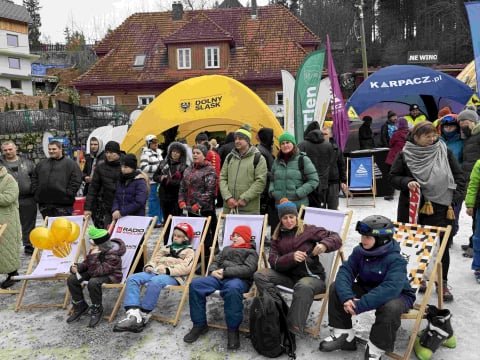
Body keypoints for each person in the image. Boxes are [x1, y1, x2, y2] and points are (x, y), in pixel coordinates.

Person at [318, 215, 416, 360]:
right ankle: (344, 335)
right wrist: (347, 297)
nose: (363, 240)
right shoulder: (360, 251)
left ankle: (375, 348)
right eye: (363, 236)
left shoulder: (397, 260)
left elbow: (390, 288)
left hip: (398, 295)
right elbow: (346, 271)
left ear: (381, 239)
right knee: (335, 288)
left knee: (391, 308)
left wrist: (359, 305)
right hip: (367, 287)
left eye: (368, 237)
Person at [390, 121, 466, 302]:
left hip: (442, 208)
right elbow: (393, 177)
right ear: (416, 137)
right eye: (427, 136)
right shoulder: (405, 154)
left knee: (442, 247)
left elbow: (459, 176)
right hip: (414, 209)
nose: (433, 139)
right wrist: (406, 182)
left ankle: (442, 281)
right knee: (416, 244)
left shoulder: (443, 150)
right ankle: (419, 278)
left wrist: (454, 199)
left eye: (434, 135)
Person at [253, 198, 342, 336]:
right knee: (260, 275)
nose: (289, 221)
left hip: (312, 279)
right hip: (289, 277)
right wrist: (291, 257)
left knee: (303, 286)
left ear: (296, 216)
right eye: (285, 218)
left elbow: (336, 237)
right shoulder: (277, 237)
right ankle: (279, 309)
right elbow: (273, 261)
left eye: (291, 217)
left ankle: (292, 330)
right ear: (280, 219)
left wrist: (324, 244)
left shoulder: (308, 230)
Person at [183, 225, 258, 350]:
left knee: (232, 290)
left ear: (246, 237)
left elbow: (248, 269)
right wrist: (212, 271)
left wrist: (225, 271)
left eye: (238, 235)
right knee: (196, 285)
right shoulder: (226, 249)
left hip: (238, 280)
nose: (234, 237)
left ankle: (233, 330)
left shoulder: (251, 252)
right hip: (218, 277)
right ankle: (199, 324)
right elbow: (215, 262)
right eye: (233, 235)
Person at [113, 222, 195, 332]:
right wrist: (149, 266)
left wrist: (167, 270)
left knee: (155, 281)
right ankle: (133, 313)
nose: (175, 237)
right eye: (174, 235)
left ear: (186, 239)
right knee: (132, 278)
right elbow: (154, 259)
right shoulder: (166, 248)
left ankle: (143, 313)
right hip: (155, 271)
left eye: (179, 236)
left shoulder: (189, 252)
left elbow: (186, 268)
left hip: (173, 276)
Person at [66, 226, 125, 327]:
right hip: (95, 271)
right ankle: (80, 306)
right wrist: (77, 267)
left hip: (111, 276)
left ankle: (97, 308)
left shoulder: (113, 255)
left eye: (93, 244)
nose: (91, 246)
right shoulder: (97, 249)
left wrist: (93, 256)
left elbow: (97, 272)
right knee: (72, 279)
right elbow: (87, 264)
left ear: (100, 245)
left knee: (93, 282)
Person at [269, 132, 318, 232]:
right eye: (282, 143)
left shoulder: (303, 159)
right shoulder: (277, 161)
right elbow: (272, 179)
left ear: (293, 144)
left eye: (288, 142)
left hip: (297, 206)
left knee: (297, 235)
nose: (285, 145)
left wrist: (298, 192)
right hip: (280, 205)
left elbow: (314, 180)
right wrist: (272, 191)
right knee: (280, 237)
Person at [178, 144, 217, 266]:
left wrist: (199, 204)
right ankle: (197, 256)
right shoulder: (189, 169)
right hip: (190, 208)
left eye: (198, 153)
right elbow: (182, 187)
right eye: (194, 152)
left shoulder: (209, 169)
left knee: (207, 235)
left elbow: (210, 191)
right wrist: (181, 200)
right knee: (195, 234)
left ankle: (209, 259)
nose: (195, 155)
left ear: (204, 155)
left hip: (205, 209)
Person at [220, 125, 267, 215]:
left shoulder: (258, 158)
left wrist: (245, 198)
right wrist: (228, 197)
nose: (237, 141)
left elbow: (260, 182)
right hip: (229, 208)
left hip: (249, 208)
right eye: (236, 139)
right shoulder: (230, 157)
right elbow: (222, 178)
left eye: (240, 138)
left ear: (248, 141)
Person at [0, 141, 36, 254]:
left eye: (10, 149)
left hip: (27, 198)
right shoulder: (0, 164)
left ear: (16, 149)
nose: (8, 152)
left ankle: (28, 244)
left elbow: (35, 178)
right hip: (8, 200)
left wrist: (34, 191)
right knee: (8, 224)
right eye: (5, 150)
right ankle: (9, 247)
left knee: (28, 223)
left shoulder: (27, 162)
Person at [31, 140, 83, 219]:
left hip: (63, 206)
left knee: (63, 230)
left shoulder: (71, 164)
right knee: (48, 229)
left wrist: (68, 194)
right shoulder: (41, 164)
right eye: (49, 149)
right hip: (45, 205)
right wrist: (36, 192)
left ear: (60, 149)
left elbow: (76, 180)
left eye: (54, 149)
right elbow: (34, 177)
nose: (51, 151)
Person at [153, 141, 188, 244]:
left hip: (176, 197)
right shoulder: (163, 163)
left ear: (181, 154)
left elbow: (182, 183)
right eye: (173, 151)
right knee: (167, 221)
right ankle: (166, 242)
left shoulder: (183, 166)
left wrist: (170, 181)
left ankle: (177, 243)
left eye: (177, 152)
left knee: (176, 221)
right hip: (164, 196)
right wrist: (161, 178)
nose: (175, 154)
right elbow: (155, 176)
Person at [83, 141, 123, 229]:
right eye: (107, 152)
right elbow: (93, 189)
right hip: (107, 206)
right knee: (107, 234)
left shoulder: (125, 165)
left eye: (111, 153)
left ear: (117, 153)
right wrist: (88, 208)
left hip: (125, 207)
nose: (108, 155)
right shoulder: (101, 167)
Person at [458, 108, 480, 258]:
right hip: (470, 179)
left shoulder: (478, 136)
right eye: (461, 123)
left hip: (477, 181)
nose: (463, 125)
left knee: (477, 217)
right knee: (474, 216)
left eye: (465, 122)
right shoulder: (468, 137)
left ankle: (475, 246)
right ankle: (473, 241)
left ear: (473, 121)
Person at [298, 121, 334, 208]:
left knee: (306, 212)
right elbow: (331, 163)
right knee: (320, 212)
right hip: (323, 183)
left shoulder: (301, 145)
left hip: (305, 184)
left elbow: (297, 164)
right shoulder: (329, 146)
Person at [439, 114, 464, 235]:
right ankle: (443, 235)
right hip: (439, 181)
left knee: (454, 210)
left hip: (456, 182)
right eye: (446, 127)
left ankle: (451, 232)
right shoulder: (437, 140)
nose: (449, 129)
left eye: (452, 126)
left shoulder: (462, 142)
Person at [0, 164, 22, 289]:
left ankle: (13, 274)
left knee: (8, 247)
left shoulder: (8, 179)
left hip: (7, 219)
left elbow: (9, 198)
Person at [112, 154, 149, 220]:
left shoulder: (140, 181)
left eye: (126, 167)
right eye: (122, 166)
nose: (123, 169)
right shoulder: (120, 180)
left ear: (132, 168)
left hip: (135, 218)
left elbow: (139, 201)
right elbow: (116, 197)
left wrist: (122, 212)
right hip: (121, 217)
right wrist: (115, 209)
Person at [321, 124, 347, 210]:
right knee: (320, 209)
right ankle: (319, 224)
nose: (323, 136)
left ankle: (333, 224)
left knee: (333, 208)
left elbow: (341, 165)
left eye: (325, 134)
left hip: (334, 182)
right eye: (322, 134)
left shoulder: (336, 148)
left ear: (330, 135)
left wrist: (343, 180)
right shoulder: (316, 148)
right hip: (320, 183)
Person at [384, 117, 410, 201]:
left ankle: (390, 194)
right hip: (406, 157)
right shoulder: (410, 133)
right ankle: (407, 192)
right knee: (406, 175)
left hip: (394, 157)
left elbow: (391, 144)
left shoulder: (396, 134)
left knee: (392, 175)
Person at [140, 134, 163, 227]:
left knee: (159, 200)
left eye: (156, 142)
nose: (155, 144)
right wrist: (158, 168)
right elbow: (143, 167)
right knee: (153, 201)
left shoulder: (159, 153)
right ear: (148, 144)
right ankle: (153, 221)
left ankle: (160, 219)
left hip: (159, 181)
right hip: (151, 182)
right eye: (153, 142)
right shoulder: (145, 154)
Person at [255, 127, 275, 229]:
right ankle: (261, 236)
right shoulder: (261, 151)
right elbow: (261, 170)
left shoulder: (265, 149)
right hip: (264, 188)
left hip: (266, 186)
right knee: (263, 214)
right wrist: (273, 175)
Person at [465, 159, 480, 283]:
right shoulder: (479, 163)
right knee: (478, 237)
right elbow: (473, 184)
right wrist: (470, 203)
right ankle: (479, 267)